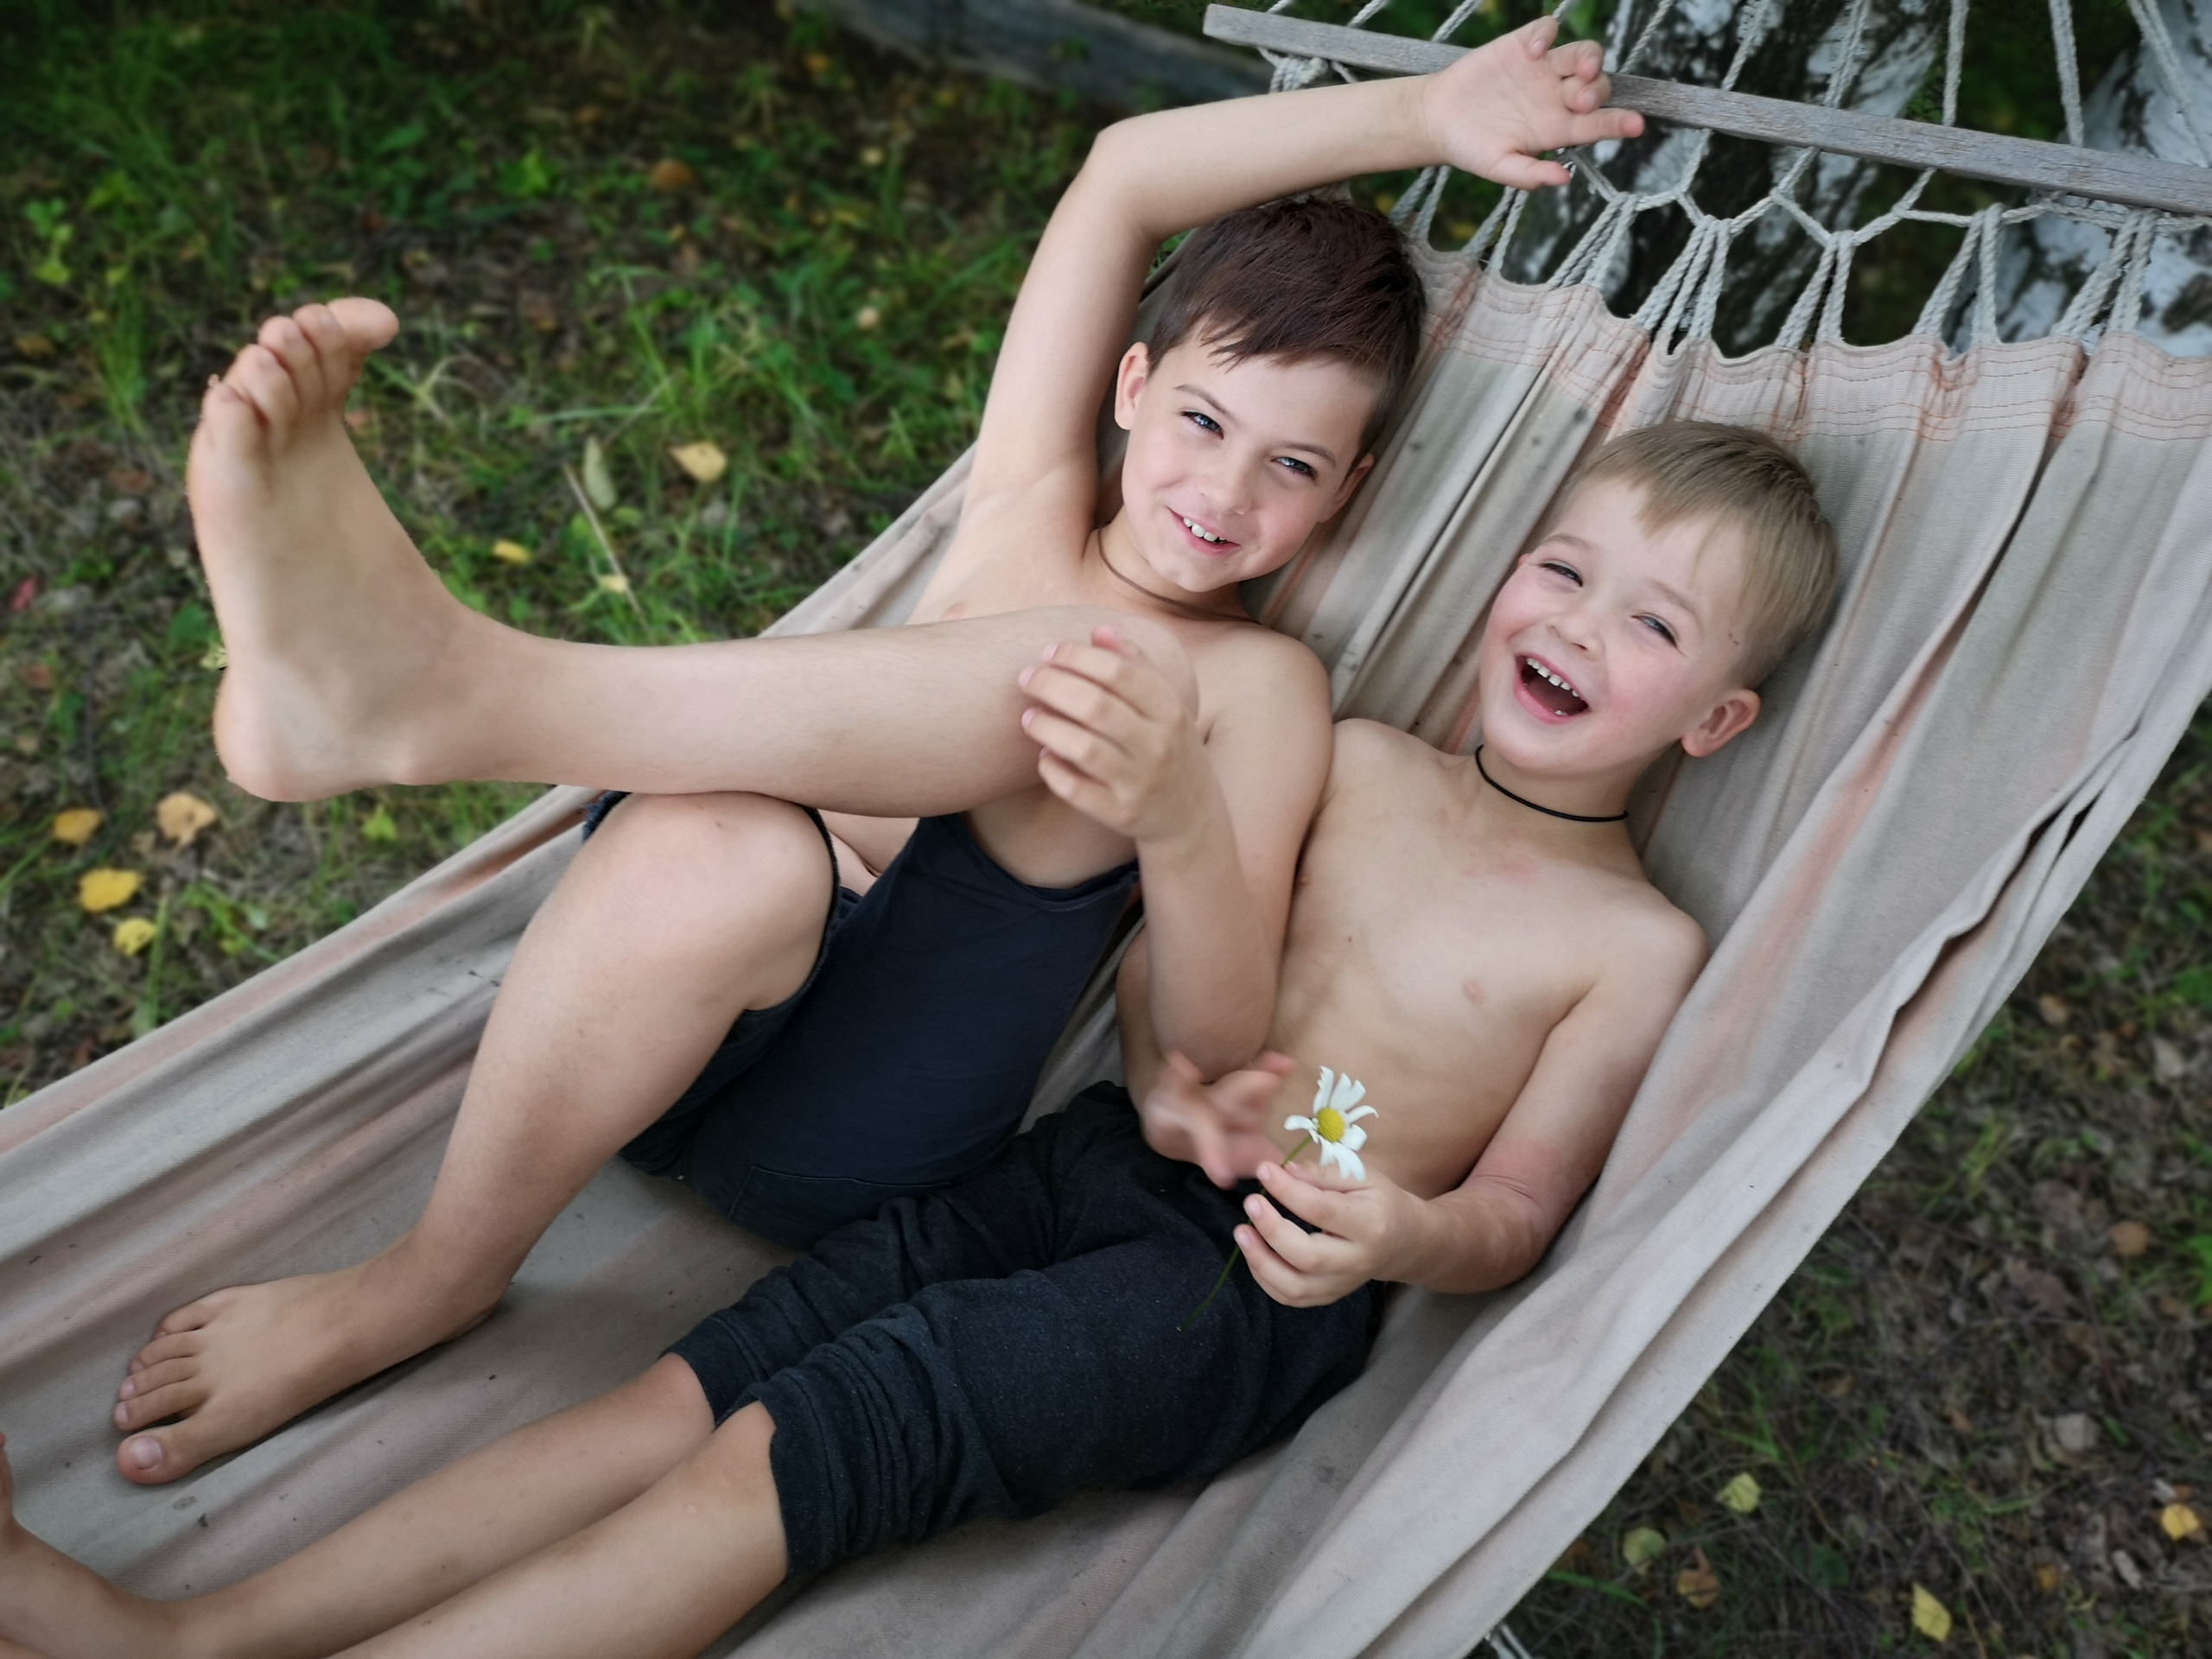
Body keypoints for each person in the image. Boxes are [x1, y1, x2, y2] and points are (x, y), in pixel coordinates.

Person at [0, 408, 1838, 1657]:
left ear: (1715, 720)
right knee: (681, 1393)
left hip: (1244, 1295)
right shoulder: (1348, 761)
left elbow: (1514, 1215)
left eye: (1649, 622)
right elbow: (1166, 980)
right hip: (1085, 1166)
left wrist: (1404, 1231)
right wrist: (1181, 1045)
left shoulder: (1627, 944)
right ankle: (178, 1640)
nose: (1576, 625)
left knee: (790, 1454)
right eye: (1560, 573)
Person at [105, 17, 1638, 1490]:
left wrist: (1173, 815)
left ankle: (442, 703)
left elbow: (1201, 1043)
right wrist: (1423, 119)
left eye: (1291, 466)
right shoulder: (1027, 495)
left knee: (1096, 671)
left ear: (1350, 492)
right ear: (1127, 387)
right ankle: (441, 1264)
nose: (1223, 493)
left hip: (859, 1127)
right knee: (727, 849)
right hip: (652, 1013)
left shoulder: (1261, 688)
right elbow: (1120, 178)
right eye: (1202, 420)